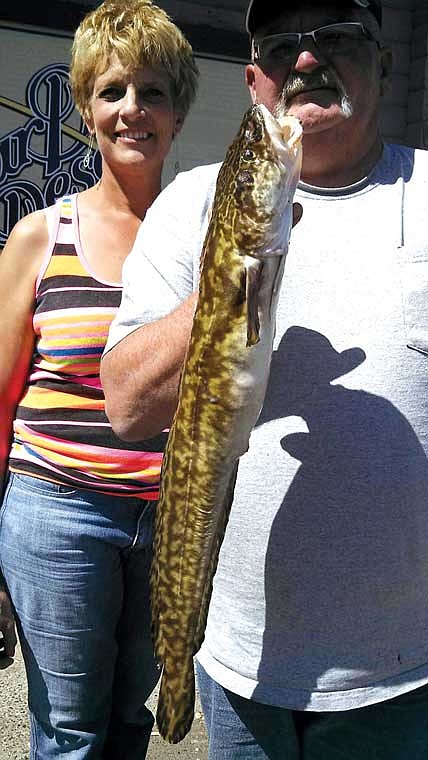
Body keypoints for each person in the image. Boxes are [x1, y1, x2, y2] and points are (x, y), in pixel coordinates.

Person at [101, 0, 428, 757]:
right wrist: (233, 268)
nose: (307, 61)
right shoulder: (193, 203)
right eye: (283, 49)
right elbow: (124, 405)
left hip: (404, 673)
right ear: (255, 81)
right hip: (240, 666)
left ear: (382, 61)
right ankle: (174, 668)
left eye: (338, 38)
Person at [0, 1, 198, 756]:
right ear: (84, 107)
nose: (132, 110)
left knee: (129, 720)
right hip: (59, 513)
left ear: (179, 109)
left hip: (174, 522)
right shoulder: (41, 236)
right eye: (112, 91)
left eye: (153, 91)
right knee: (72, 731)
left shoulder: (214, 239)